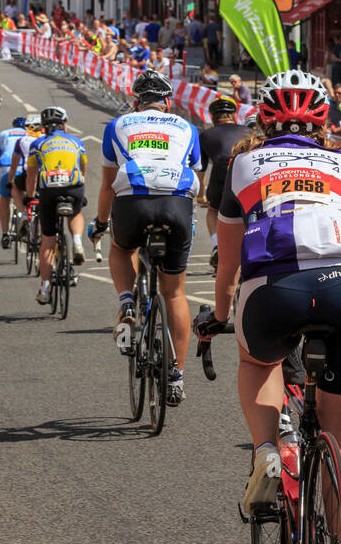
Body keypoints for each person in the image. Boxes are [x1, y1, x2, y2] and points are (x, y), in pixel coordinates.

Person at [194, 69, 341, 544]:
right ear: (323, 122)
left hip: (275, 286)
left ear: (263, 119)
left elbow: (228, 263)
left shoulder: (244, 163)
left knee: (260, 362)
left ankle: (267, 452)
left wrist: (223, 314)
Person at [90, 67, 201, 406]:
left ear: (135, 103)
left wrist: (99, 222)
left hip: (132, 202)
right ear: (168, 103)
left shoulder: (118, 125)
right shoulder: (187, 127)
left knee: (121, 249)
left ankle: (126, 302)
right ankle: (176, 376)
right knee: (175, 292)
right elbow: (197, 179)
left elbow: (109, 185)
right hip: (176, 204)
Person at [26, 107, 88, 306]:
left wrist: (29, 196)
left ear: (44, 128)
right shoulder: (76, 142)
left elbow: (31, 175)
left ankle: (44, 288)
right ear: (64, 125)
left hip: (49, 191)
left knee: (47, 242)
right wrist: (80, 194)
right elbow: (82, 168)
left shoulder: (38, 143)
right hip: (73, 187)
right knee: (76, 212)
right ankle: (77, 242)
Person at [198, 94, 245, 270]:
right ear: (234, 115)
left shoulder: (205, 134)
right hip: (244, 171)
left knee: (213, 210)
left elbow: (200, 171)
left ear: (212, 117)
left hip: (220, 171)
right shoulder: (248, 131)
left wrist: (201, 196)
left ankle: (217, 245)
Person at [0, 116, 28, 248]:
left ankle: (5, 234)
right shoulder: (29, 134)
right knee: (28, 193)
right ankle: (26, 217)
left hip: (6, 166)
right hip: (25, 167)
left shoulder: (4, 133)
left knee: (4, 199)